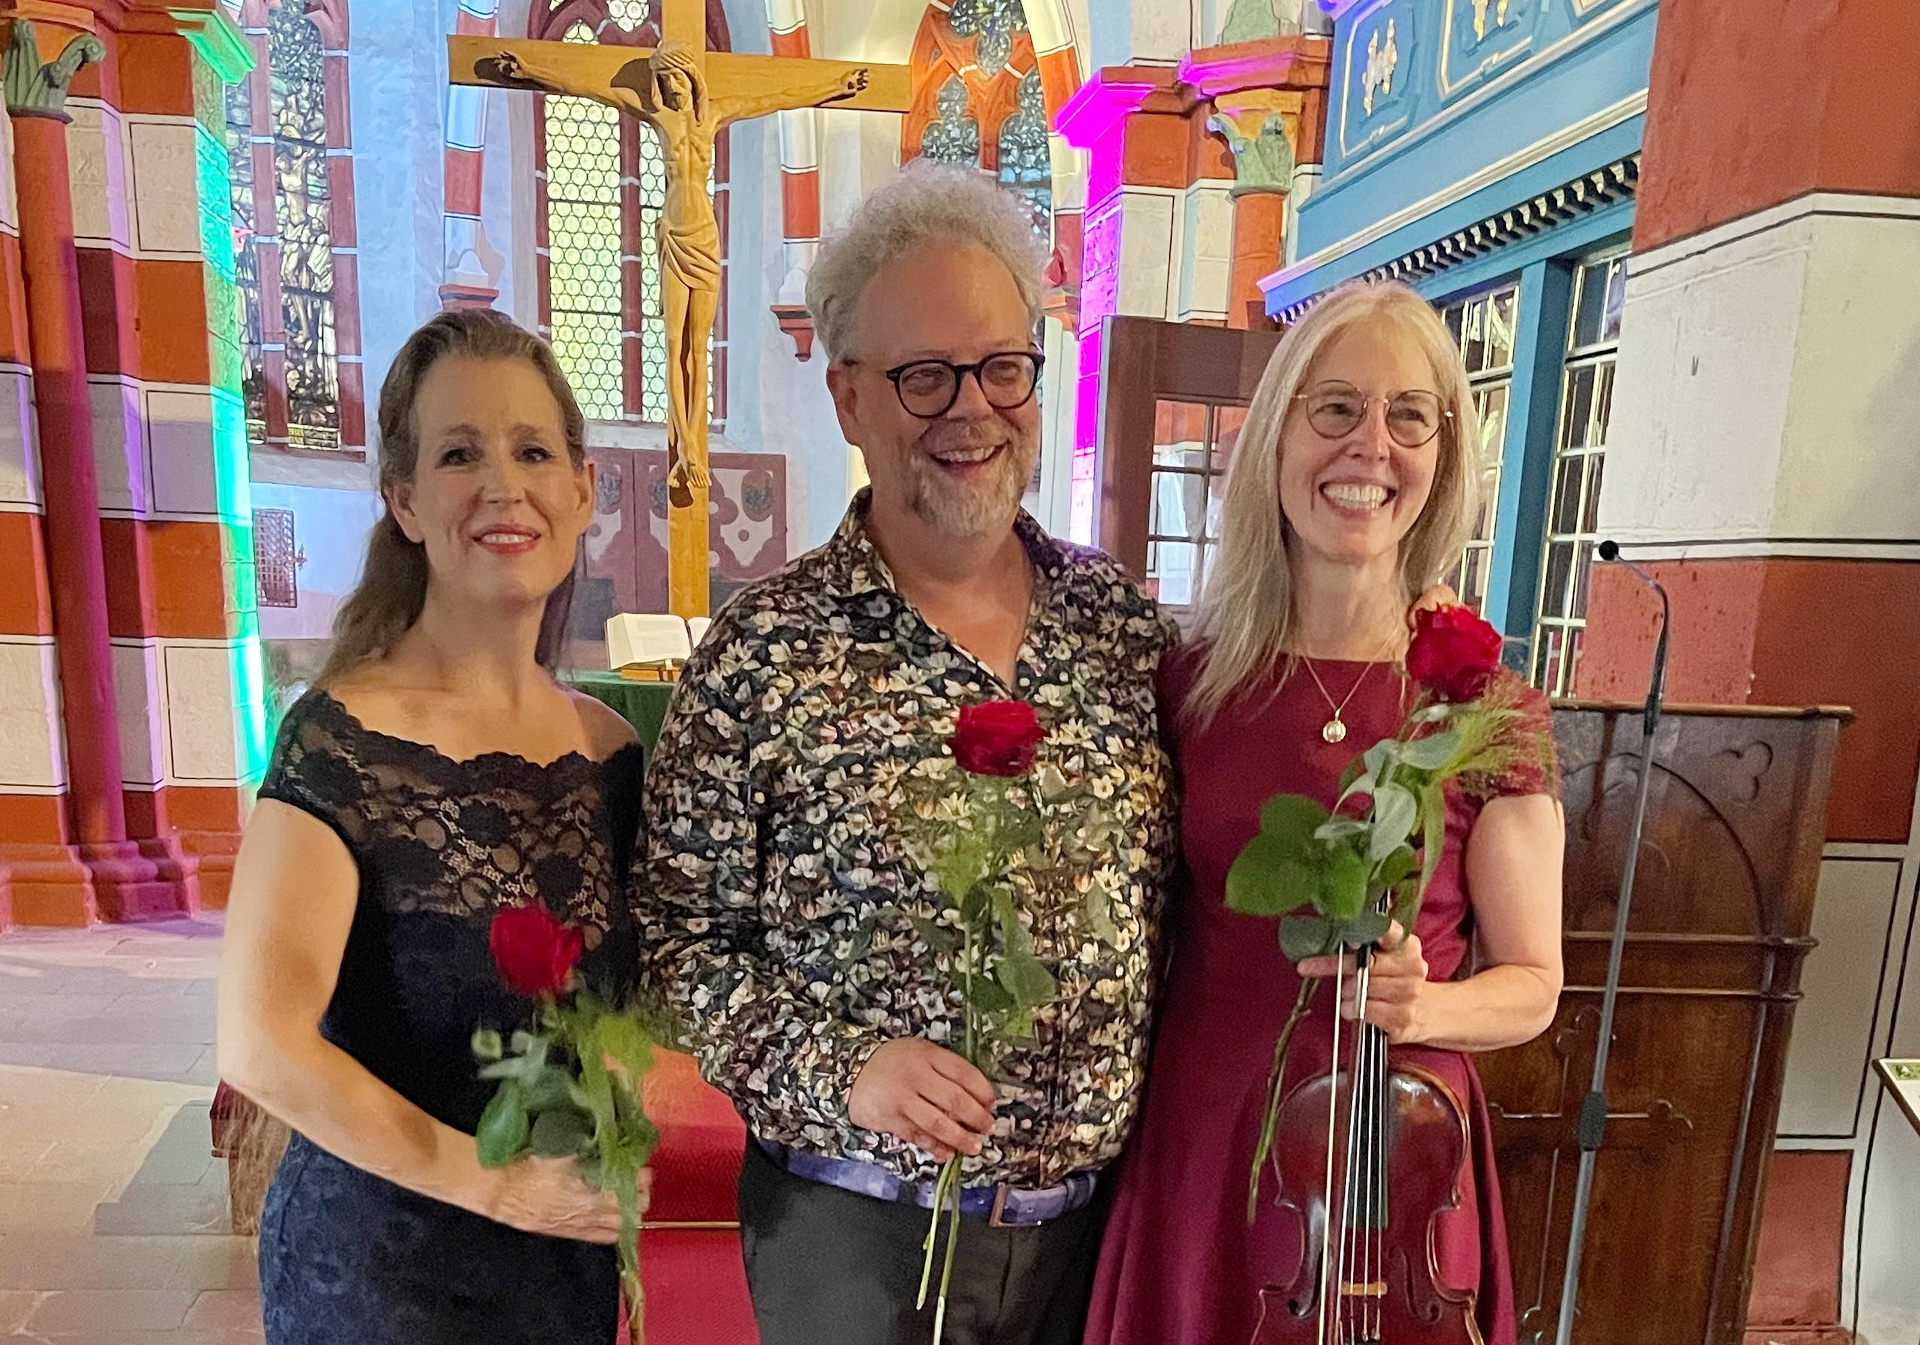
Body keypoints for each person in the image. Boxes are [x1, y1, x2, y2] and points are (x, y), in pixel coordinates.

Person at [638, 164, 1177, 1345]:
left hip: (1089, 1238)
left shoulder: (1123, 629)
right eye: (922, 375)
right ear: (847, 397)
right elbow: (676, 949)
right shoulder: (763, 654)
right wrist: (845, 1068)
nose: (969, 408)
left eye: (1001, 365)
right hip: (852, 1234)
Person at [1083, 279, 1566, 1345]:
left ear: (1443, 452)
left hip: (1398, 1158)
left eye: (1409, 415)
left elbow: (1534, 984)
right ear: (1279, 438)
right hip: (1208, 1136)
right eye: (1335, 408)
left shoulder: (1488, 709)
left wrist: (1422, 1009)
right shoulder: (1192, 684)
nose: (1370, 447)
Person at [217, 308, 651, 1345]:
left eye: (533, 450)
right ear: (407, 502)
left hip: (561, 1271)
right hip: (384, 1269)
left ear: (582, 490)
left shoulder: (608, 753)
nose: (503, 485)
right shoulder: (344, 738)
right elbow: (260, 1041)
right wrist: (489, 1183)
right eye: (460, 453)